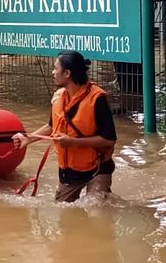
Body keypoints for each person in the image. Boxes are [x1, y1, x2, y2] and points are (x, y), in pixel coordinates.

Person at [12, 50, 117, 203]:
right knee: (64, 213)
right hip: (69, 172)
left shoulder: (97, 99)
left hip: (98, 168)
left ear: (67, 73)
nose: (53, 72)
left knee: (97, 211)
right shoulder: (58, 97)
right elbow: (51, 126)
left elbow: (109, 139)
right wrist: (27, 139)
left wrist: (73, 142)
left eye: (55, 68)